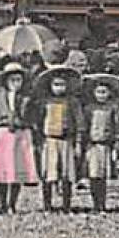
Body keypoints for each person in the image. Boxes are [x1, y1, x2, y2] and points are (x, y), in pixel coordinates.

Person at [0, 62, 38, 215]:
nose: (16, 84)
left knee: (17, 169)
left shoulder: (27, 99)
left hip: (21, 133)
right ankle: (2, 204)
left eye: (19, 80)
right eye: (12, 80)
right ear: (6, 81)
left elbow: (33, 116)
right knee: (2, 169)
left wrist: (29, 125)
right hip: (4, 132)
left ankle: (12, 204)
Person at [35, 66, 80, 213]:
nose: (59, 88)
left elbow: (80, 123)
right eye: (56, 84)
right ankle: (47, 205)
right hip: (49, 141)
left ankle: (66, 205)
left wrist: (78, 142)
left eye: (62, 84)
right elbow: (39, 121)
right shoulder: (45, 102)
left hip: (66, 141)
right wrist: (39, 140)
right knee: (49, 173)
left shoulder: (72, 102)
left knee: (66, 174)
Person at [82, 74, 119, 212]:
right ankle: (95, 204)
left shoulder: (113, 108)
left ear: (110, 93)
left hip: (106, 146)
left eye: (104, 92)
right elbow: (84, 126)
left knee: (103, 176)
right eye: (98, 92)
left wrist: (117, 144)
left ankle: (102, 204)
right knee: (93, 175)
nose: (101, 95)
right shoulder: (89, 109)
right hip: (92, 145)